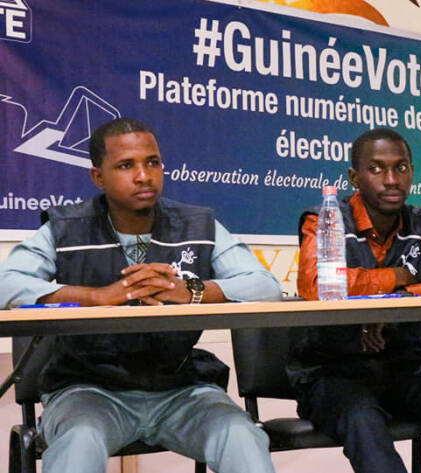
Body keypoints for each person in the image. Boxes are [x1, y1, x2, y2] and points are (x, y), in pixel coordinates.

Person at [0, 118, 280, 473]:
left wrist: (192, 291)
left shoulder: (198, 224)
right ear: (98, 177)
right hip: (88, 390)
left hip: (180, 388)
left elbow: (266, 286)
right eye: (125, 165)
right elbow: (6, 284)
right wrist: (96, 297)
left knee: (241, 437)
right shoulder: (66, 227)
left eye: (152, 162)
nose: (144, 176)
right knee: (78, 443)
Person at [292, 128, 421, 473]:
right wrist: (394, 278)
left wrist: (406, 296)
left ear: (412, 172)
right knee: (362, 417)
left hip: (404, 367)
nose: (391, 179)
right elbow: (317, 284)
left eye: (401, 168)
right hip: (333, 372)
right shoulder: (324, 220)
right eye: (376, 169)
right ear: (354, 177)